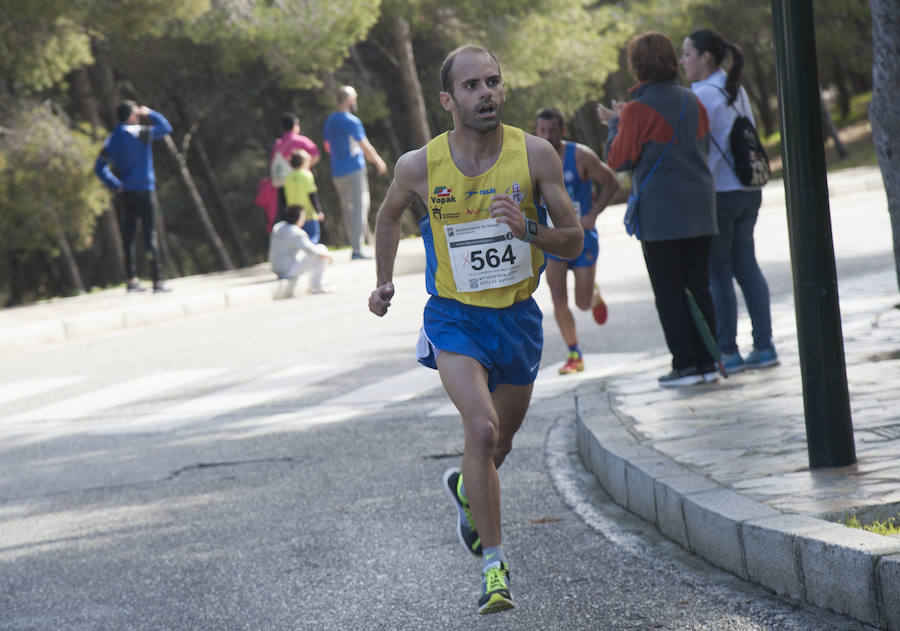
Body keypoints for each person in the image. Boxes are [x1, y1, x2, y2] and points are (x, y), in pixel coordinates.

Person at [368, 45, 582, 614]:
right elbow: (388, 215)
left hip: (516, 319)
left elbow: (575, 238)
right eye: (471, 86)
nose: (486, 92)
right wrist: (385, 280)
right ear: (448, 100)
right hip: (454, 317)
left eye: (493, 82)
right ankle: (494, 569)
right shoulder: (419, 165)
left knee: (500, 445)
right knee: (482, 432)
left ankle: (466, 490)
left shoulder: (535, 155)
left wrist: (530, 229)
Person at [597, 32, 718, 388]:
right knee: (699, 286)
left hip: (662, 215)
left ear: (637, 65)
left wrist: (616, 123)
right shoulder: (691, 100)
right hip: (701, 206)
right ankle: (709, 360)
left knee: (669, 291)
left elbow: (617, 160)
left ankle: (685, 365)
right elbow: (703, 145)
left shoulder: (636, 110)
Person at [681, 29, 778, 371]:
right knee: (747, 266)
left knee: (718, 272)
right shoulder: (736, 88)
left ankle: (728, 351)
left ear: (706, 57)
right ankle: (765, 346)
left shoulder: (701, 94)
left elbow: (693, 146)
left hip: (719, 194)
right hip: (749, 190)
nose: (683, 62)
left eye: (688, 54)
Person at [534, 107, 621, 374]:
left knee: (582, 303)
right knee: (558, 297)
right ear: (536, 131)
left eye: (552, 130)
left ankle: (593, 295)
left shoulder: (580, 155)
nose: (547, 136)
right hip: (553, 238)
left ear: (563, 130)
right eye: (542, 131)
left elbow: (611, 182)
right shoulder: (532, 158)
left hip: (582, 236)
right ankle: (574, 353)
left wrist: (593, 215)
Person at [94, 100, 173, 293]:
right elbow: (165, 128)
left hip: (126, 193)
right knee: (149, 237)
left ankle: (131, 280)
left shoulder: (112, 139)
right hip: (145, 189)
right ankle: (157, 280)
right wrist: (150, 113)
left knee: (128, 238)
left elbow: (99, 167)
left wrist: (115, 185)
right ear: (131, 116)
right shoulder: (138, 132)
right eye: (135, 114)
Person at [322, 85, 388, 259]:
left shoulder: (330, 120)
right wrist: (379, 162)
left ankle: (358, 244)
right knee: (360, 206)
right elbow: (364, 145)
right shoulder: (352, 121)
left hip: (337, 171)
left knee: (348, 209)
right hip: (354, 169)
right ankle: (357, 249)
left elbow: (327, 146)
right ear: (349, 100)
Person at [268, 204, 333, 293]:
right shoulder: (295, 232)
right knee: (321, 249)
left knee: (317, 252)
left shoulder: (278, 227)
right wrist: (329, 256)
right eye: (303, 216)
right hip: (288, 270)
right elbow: (312, 251)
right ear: (298, 218)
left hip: (277, 269)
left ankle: (318, 283)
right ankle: (318, 285)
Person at [270, 112, 320, 226]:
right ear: (295, 125)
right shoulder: (301, 141)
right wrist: (304, 168)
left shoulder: (278, 144)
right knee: (307, 211)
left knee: (288, 213)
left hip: (284, 183)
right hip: (304, 183)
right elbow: (316, 154)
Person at [283, 150, 326, 244]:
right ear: (303, 162)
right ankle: (309, 254)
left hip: (295, 215)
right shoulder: (307, 175)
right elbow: (312, 195)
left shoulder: (287, 177)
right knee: (313, 236)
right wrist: (319, 211)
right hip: (308, 213)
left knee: (299, 238)